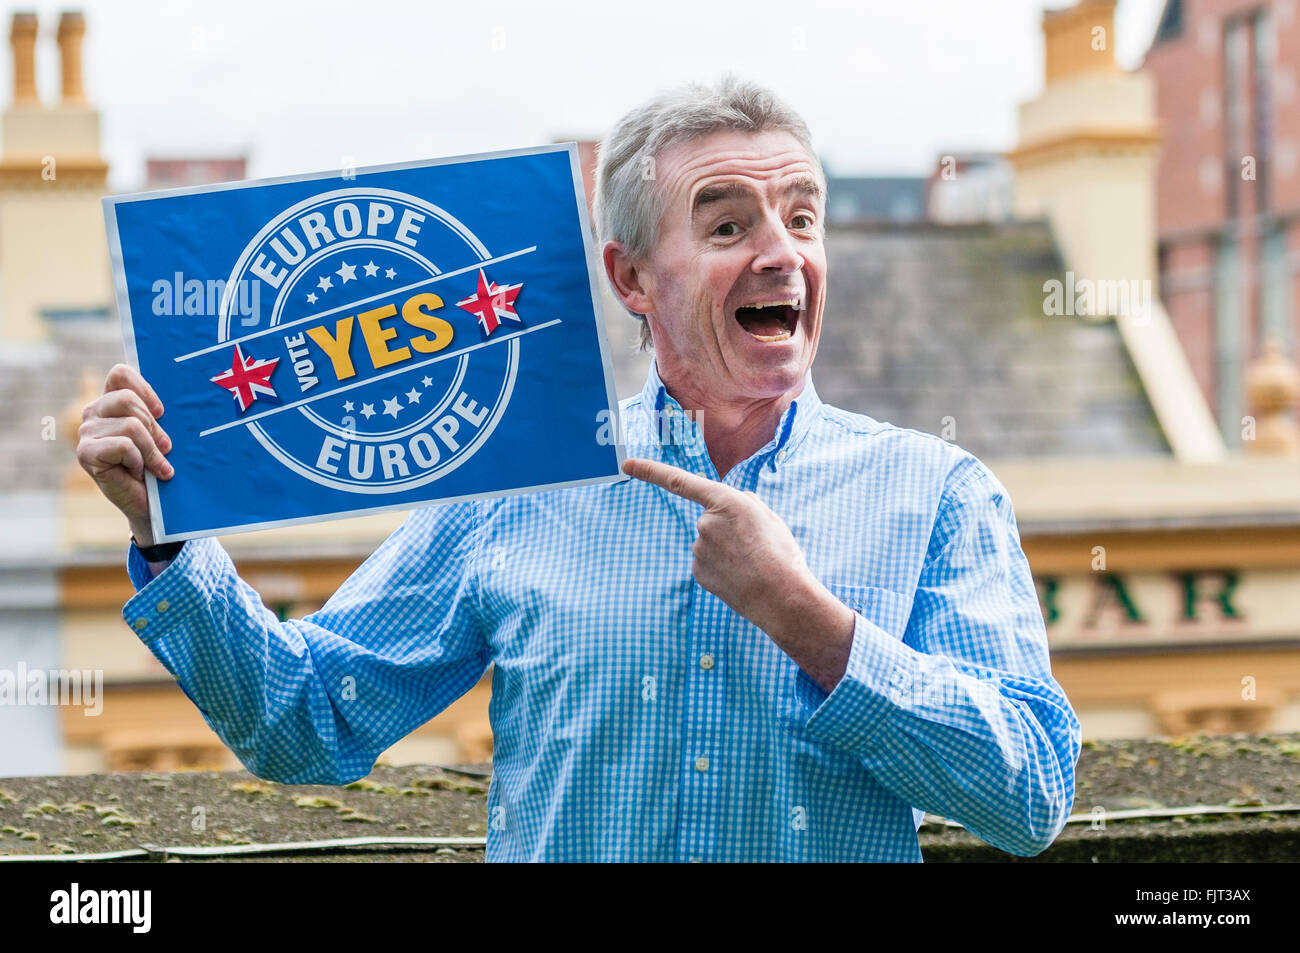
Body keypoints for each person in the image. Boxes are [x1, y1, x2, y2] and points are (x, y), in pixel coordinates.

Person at [76, 75, 1081, 862]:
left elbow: (1030, 793)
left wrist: (807, 619)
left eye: (802, 217)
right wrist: (165, 532)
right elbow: (309, 721)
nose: (781, 252)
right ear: (630, 275)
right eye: (727, 223)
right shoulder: (520, 486)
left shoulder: (937, 492)